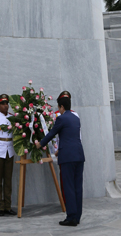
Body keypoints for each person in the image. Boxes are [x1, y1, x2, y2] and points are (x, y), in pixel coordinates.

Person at [36, 94, 85, 227]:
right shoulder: (76, 118)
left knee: (68, 187)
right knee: (77, 187)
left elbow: (52, 134)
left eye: (59, 107)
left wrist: (40, 144)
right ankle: (77, 216)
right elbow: (71, 137)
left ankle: (71, 217)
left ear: (61, 107)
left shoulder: (61, 119)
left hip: (68, 157)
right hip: (79, 155)